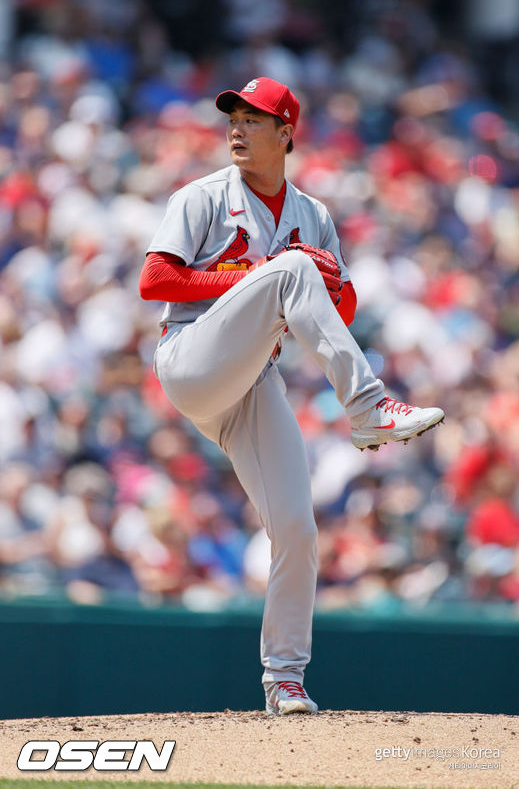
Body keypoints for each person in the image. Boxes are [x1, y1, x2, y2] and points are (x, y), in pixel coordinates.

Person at [139, 77, 444, 715]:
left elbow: (346, 306)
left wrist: (331, 286)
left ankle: (285, 680)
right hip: (191, 356)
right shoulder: (203, 196)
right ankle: (367, 409)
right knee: (294, 267)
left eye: (254, 119)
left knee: (298, 531)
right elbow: (155, 278)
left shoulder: (314, 215)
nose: (237, 129)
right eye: (234, 117)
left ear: (286, 134)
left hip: (251, 380)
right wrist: (264, 273)